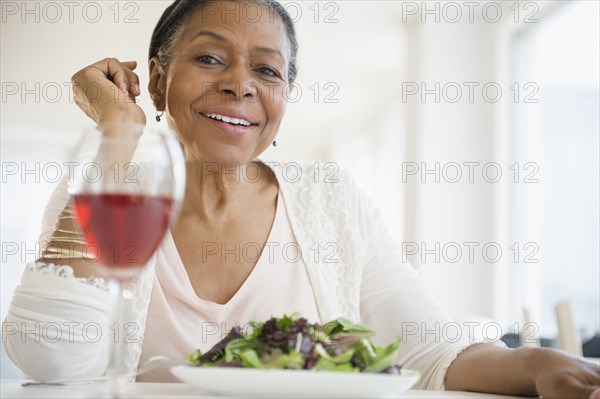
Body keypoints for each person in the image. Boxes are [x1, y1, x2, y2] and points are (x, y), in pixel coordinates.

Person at [4, 0, 599, 396]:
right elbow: (52, 358)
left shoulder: (331, 201)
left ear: (284, 98)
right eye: (209, 58)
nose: (240, 84)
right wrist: (118, 136)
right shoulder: (117, 189)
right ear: (156, 81)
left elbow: (428, 349)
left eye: (268, 71)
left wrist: (534, 363)